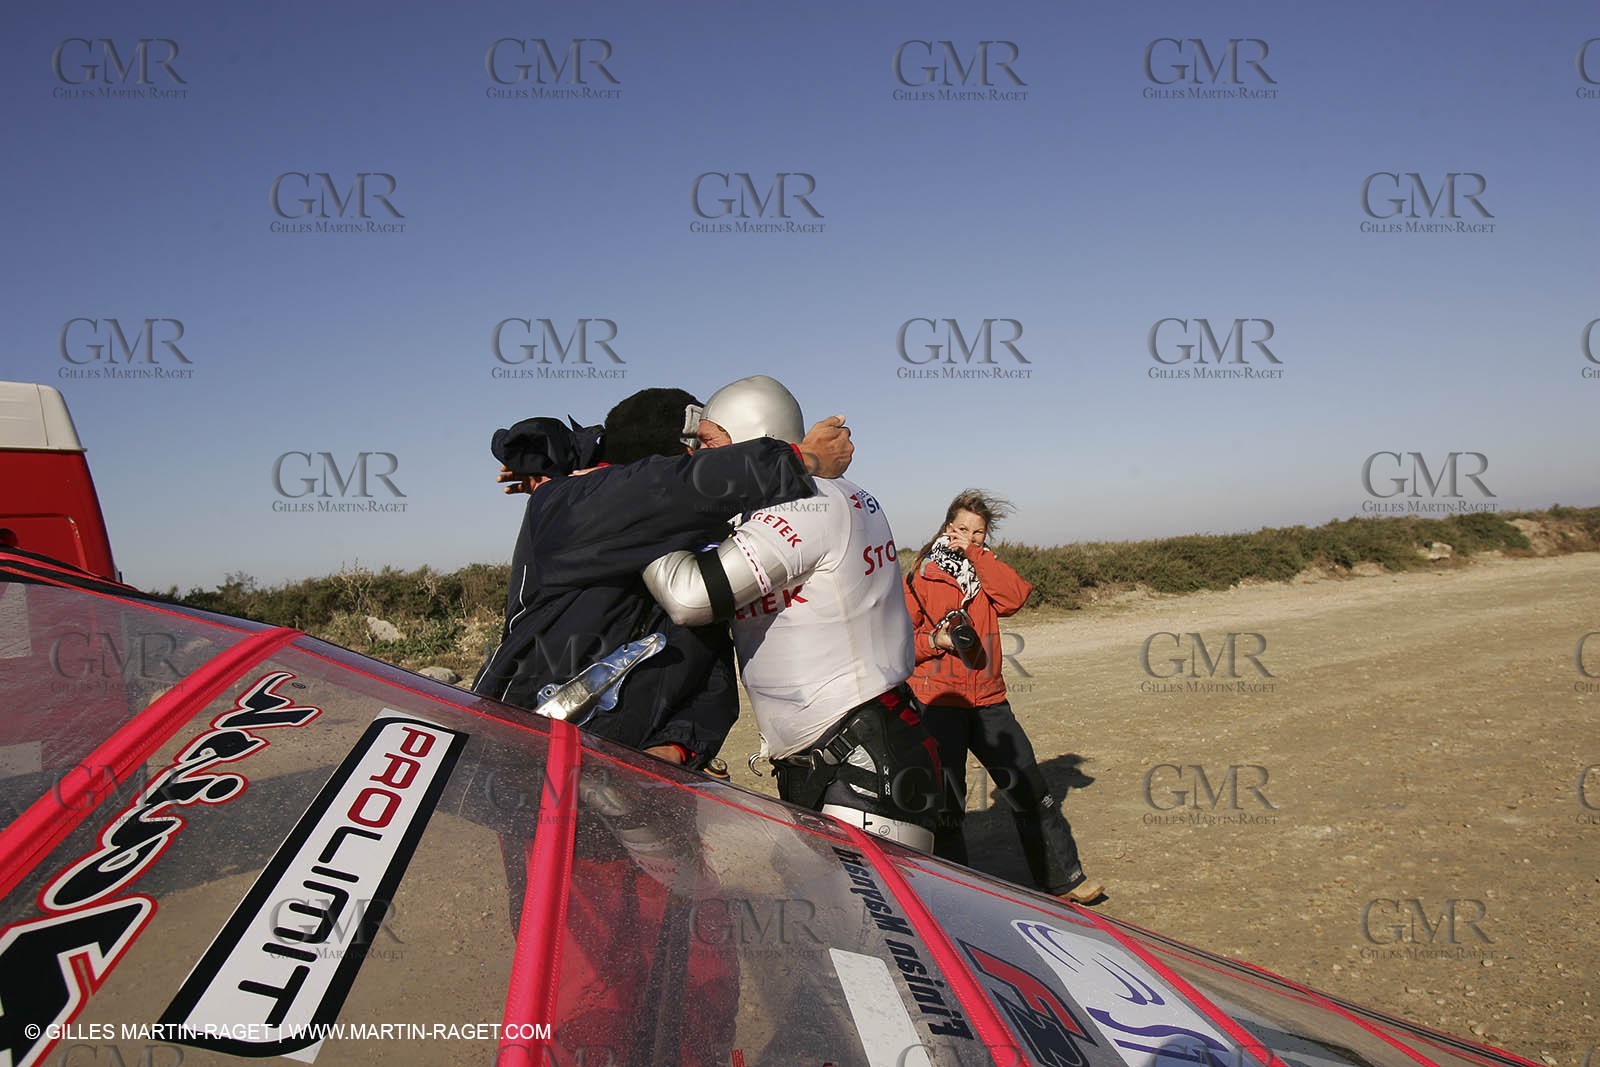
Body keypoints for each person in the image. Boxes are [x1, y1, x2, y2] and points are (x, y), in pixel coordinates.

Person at [472, 387, 854, 769]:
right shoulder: (567, 503)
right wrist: (800, 458)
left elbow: (708, 664)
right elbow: (671, 487)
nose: (705, 457)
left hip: (635, 781)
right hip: (524, 755)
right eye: (699, 447)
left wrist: (678, 746)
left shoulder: (688, 545)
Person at [642, 375, 941, 849]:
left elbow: (690, 596)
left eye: (710, 442)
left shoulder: (804, 502)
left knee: (865, 900)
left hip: (855, 752)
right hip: (846, 744)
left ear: (752, 438)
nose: (698, 457)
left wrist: (638, 528)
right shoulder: (828, 493)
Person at [903, 490, 1105, 904]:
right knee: (947, 803)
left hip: (989, 699)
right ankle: (952, 890)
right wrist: (936, 641)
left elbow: (1015, 597)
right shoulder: (920, 576)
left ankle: (1064, 881)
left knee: (1029, 788)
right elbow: (902, 642)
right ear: (947, 527)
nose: (969, 537)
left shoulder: (985, 570)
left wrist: (977, 555)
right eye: (962, 529)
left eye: (978, 533)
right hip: (938, 700)